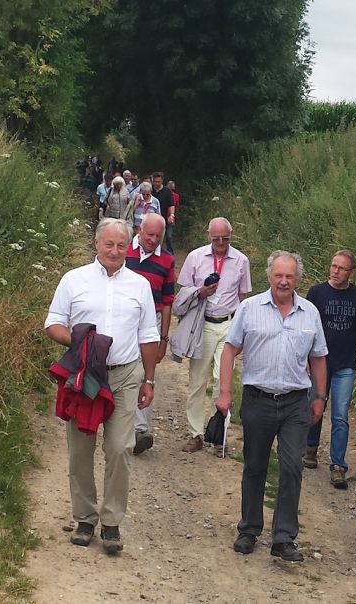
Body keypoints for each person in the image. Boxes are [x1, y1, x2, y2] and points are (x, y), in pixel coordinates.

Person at [44, 218, 159, 555]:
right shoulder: (73, 280)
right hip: (84, 376)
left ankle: (111, 523)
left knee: (120, 448)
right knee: (81, 447)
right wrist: (80, 342)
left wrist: (148, 379)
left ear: (129, 246)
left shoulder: (139, 285)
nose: (114, 251)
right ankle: (84, 518)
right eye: (108, 244)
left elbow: (149, 336)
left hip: (124, 375)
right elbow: (53, 323)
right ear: (96, 244)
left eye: (121, 245)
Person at [216, 251, 328, 562]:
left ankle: (283, 537)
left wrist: (320, 396)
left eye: (289, 276)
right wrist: (224, 392)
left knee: (292, 466)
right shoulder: (249, 308)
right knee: (255, 465)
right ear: (269, 276)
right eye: (278, 275)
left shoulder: (310, 313)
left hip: (296, 403)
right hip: (258, 400)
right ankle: (249, 529)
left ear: (297, 279)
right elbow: (229, 351)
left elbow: (318, 357)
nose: (283, 281)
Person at [178, 217, 252, 452]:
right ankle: (196, 433)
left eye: (225, 238)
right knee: (198, 380)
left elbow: (243, 297)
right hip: (203, 323)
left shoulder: (241, 260)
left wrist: (241, 330)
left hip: (228, 324)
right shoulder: (195, 257)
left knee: (223, 381)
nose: (221, 242)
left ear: (232, 236)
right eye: (216, 238)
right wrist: (200, 292)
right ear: (208, 235)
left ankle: (219, 433)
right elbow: (183, 292)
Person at [302, 250, 356, 489]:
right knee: (315, 406)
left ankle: (338, 465)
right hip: (319, 361)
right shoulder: (317, 293)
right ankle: (310, 448)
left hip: (345, 364)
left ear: (352, 272)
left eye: (341, 268)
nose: (335, 271)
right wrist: (304, 359)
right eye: (333, 266)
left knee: (340, 415)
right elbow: (305, 328)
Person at [125, 213, 175, 454]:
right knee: (119, 367)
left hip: (151, 319)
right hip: (123, 318)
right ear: (139, 230)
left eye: (158, 236)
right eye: (150, 235)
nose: (153, 240)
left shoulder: (167, 260)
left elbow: (167, 302)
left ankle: (139, 430)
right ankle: (117, 422)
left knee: (146, 372)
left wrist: (164, 338)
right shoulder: (123, 252)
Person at [151, 171, 176, 254]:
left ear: (162, 181)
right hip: (151, 219)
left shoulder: (167, 191)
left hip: (164, 218)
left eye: (159, 181)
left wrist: (172, 215)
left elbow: (171, 204)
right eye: (155, 181)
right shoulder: (149, 190)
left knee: (166, 237)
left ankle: (169, 254)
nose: (157, 183)